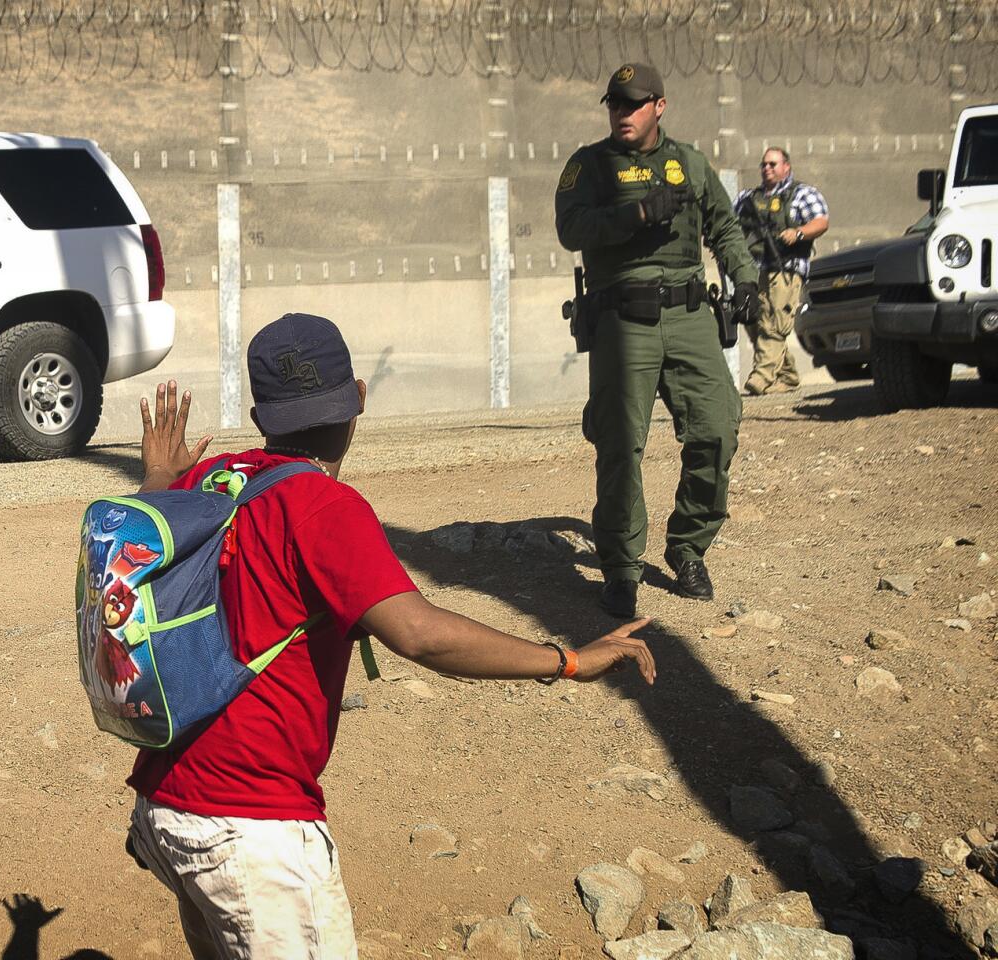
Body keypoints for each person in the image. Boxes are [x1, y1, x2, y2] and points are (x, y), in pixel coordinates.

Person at [124, 312, 657, 959]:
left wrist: (158, 477)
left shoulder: (209, 480)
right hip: (251, 831)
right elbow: (420, 633)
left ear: (262, 416)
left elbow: (137, 557)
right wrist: (568, 659)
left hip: (168, 807)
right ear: (358, 400)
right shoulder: (324, 507)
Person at [554, 63, 760, 618]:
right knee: (621, 442)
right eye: (615, 105)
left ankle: (689, 546)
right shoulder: (590, 165)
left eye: (633, 104)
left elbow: (724, 227)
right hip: (623, 318)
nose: (621, 113)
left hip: (689, 312)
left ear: (659, 107)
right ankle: (621, 568)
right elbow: (571, 229)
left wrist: (745, 280)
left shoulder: (688, 163)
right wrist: (635, 214)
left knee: (718, 426)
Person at [734, 148, 830, 395]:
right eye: (764, 164)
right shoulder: (748, 197)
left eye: (773, 164)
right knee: (754, 320)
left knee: (775, 323)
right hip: (754, 270)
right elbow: (730, 225)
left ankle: (761, 375)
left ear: (786, 166)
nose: (767, 168)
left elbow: (820, 222)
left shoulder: (802, 195)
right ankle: (786, 375)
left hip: (786, 269)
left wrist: (798, 233)